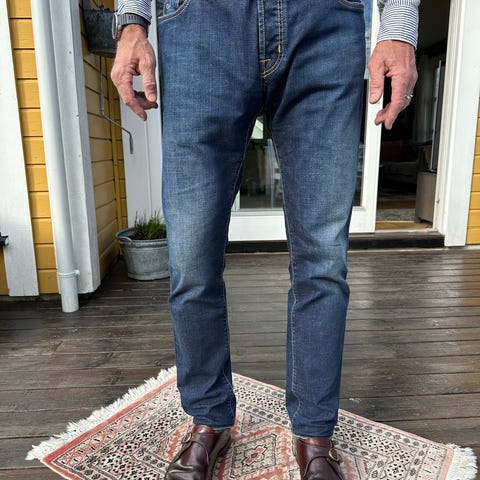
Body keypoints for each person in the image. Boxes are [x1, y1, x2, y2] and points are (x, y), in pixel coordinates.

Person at [111, 1, 419, 479]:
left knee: (323, 259)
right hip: (200, 25)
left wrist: (399, 25)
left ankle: (314, 434)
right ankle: (209, 419)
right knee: (191, 257)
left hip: (324, 24)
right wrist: (131, 21)